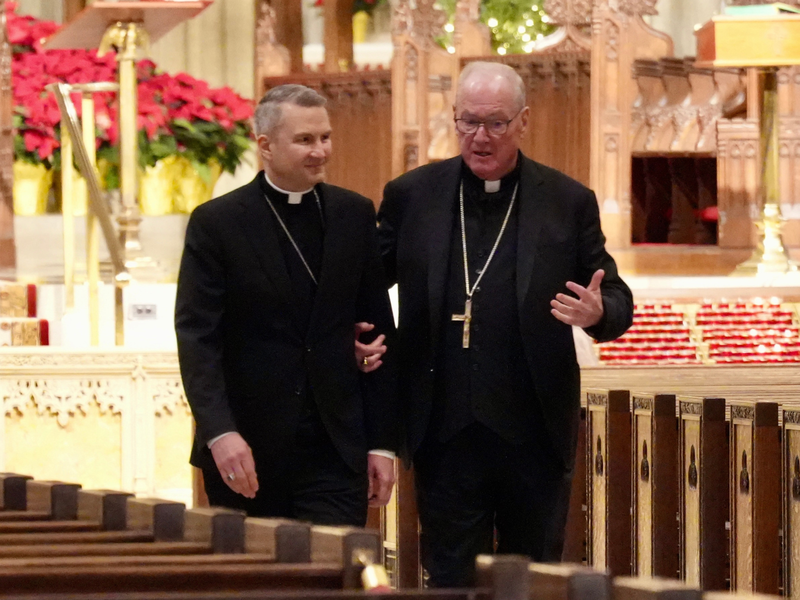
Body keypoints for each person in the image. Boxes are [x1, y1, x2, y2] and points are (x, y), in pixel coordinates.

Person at [371, 61, 634, 586]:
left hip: (533, 430)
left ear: (524, 121)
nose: (480, 137)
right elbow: (364, 285)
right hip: (441, 429)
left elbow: (616, 295)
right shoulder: (412, 195)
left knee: (532, 578)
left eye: (495, 123)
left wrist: (598, 311)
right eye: (468, 122)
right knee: (448, 576)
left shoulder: (566, 201)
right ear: (453, 118)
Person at [175, 84, 397, 525]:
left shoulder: (353, 214)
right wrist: (219, 432)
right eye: (305, 140)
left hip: (335, 447)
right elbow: (199, 339)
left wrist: (382, 443)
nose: (320, 151)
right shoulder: (217, 223)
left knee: (332, 578)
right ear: (265, 146)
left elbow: (377, 332)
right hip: (247, 447)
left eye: (325, 137)